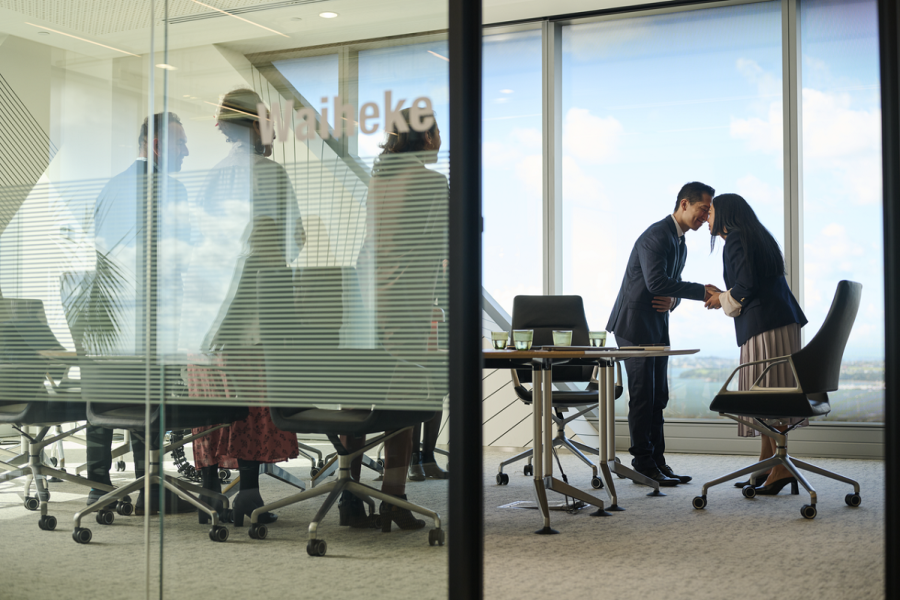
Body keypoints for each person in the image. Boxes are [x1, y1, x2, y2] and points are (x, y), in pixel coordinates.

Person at [188, 89, 300, 526]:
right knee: (253, 402)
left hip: (207, 314)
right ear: (257, 124)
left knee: (211, 403)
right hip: (254, 311)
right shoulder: (271, 174)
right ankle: (249, 493)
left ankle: (211, 490)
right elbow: (292, 241)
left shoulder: (212, 176)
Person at [339, 106, 448, 529]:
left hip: (363, 304)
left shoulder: (377, 182)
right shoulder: (433, 183)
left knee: (355, 402)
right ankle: (394, 498)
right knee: (404, 405)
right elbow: (443, 252)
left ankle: (349, 494)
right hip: (404, 307)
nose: (440, 141)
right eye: (437, 133)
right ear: (426, 137)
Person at [80, 112, 194, 515]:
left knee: (105, 406)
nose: (186, 151)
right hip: (149, 321)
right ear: (159, 144)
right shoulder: (171, 189)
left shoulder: (109, 188)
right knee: (148, 405)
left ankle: (99, 486)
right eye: (181, 144)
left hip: (104, 319)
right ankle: (149, 485)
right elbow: (181, 258)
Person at [606, 182, 717, 486]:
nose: (706, 216)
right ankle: (643, 464)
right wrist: (702, 291)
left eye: (709, 211)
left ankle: (657, 462)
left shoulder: (679, 240)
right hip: (633, 325)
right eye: (702, 209)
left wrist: (676, 298)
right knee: (644, 396)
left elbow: (670, 286)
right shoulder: (657, 235)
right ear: (684, 204)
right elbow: (657, 283)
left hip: (655, 323)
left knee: (659, 397)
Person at [704, 193, 808, 494]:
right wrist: (726, 295)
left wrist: (719, 299)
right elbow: (753, 284)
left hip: (766, 327)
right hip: (781, 321)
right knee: (771, 395)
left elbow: (746, 287)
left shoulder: (735, 239)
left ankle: (780, 469)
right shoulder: (757, 236)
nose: (708, 218)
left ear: (725, 214)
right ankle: (767, 462)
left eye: (711, 212)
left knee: (770, 398)